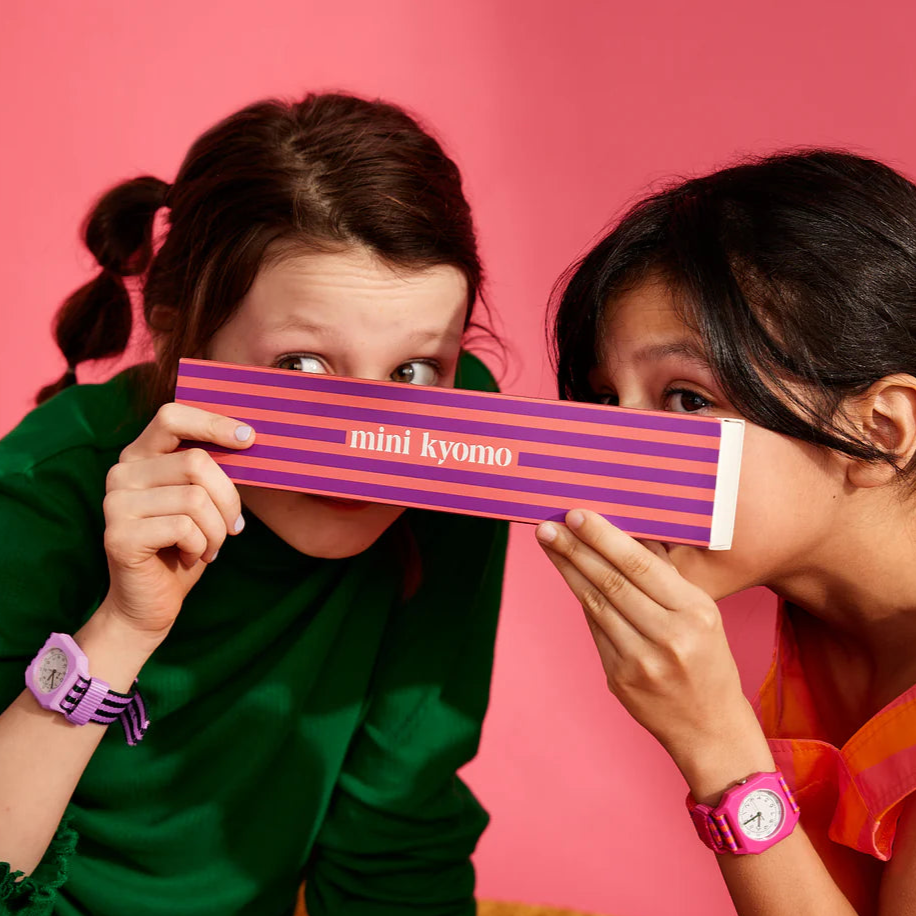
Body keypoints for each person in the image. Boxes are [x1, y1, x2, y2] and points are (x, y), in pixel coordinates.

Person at [0, 92, 508, 916]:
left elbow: (399, 822)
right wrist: (121, 630)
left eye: (414, 370)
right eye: (305, 367)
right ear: (178, 338)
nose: (367, 447)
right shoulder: (43, 486)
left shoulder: (456, 442)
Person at [537, 150, 916, 915]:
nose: (613, 456)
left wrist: (717, 747)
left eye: (685, 399)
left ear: (880, 431)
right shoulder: (785, 626)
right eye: (609, 400)